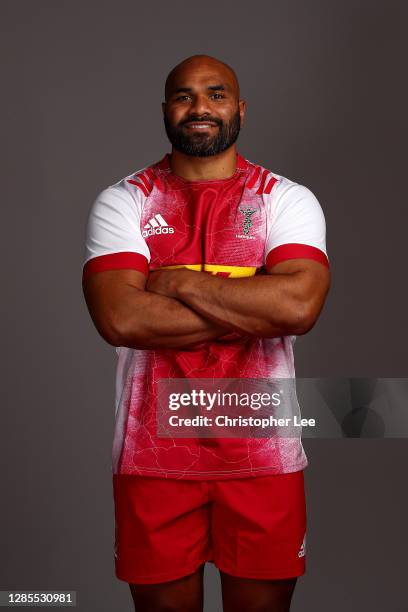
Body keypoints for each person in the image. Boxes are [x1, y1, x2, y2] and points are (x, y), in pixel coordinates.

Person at [82, 54, 330, 612]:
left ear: (239, 110)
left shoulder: (283, 200)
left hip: (262, 452)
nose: (200, 108)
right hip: (153, 455)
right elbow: (121, 319)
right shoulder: (125, 201)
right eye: (184, 96)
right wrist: (251, 301)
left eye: (216, 95)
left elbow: (297, 306)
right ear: (166, 111)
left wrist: (174, 283)